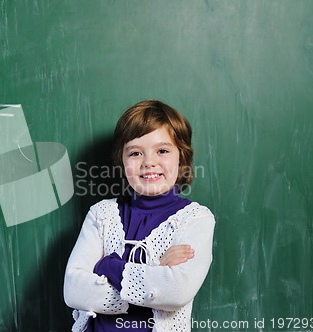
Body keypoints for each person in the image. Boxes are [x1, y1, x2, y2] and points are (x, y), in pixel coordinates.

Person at [63, 100, 215, 332]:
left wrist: (107, 265)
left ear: (181, 157)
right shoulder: (101, 214)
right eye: (135, 153)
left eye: (162, 151)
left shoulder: (195, 219)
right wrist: (156, 272)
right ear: (122, 161)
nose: (149, 162)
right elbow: (73, 290)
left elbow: (176, 292)